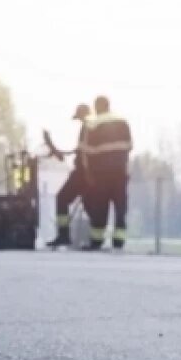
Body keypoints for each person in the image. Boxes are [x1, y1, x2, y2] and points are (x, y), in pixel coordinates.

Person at [79, 95, 133, 250]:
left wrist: (88, 173)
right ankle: (119, 241)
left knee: (100, 207)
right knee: (120, 206)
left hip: (101, 173)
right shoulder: (123, 121)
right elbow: (128, 146)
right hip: (120, 172)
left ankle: (97, 240)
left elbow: (87, 152)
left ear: (97, 107)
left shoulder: (92, 124)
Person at [46, 103, 92, 249]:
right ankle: (94, 239)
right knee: (90, 204)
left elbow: (84, 152)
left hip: (83, 172)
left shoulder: (88, 127)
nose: (79, 120)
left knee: (62, 198)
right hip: (87, 172)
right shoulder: (90, 128)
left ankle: (64, 235)